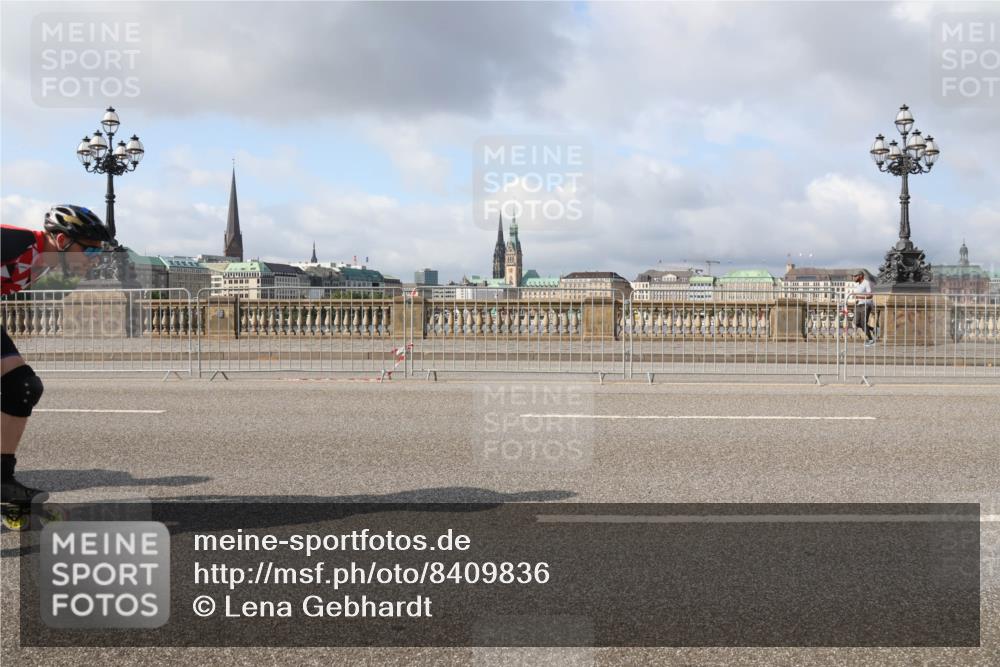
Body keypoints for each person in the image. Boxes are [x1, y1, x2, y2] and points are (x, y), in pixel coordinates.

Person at [1, 205, 115, 507]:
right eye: (90, 252)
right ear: (62, 240)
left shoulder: (49, 263)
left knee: (22, 387)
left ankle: (2, 479)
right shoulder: (16, 242)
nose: (95, 260)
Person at [850, 270, 876, 347]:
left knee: (863, 323)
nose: (853, 278)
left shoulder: (866, 283)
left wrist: (859, 296)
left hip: (866, 305)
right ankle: (872, 329)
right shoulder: (858, 285)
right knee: (857, 323)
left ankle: (871, 340)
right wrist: (857, 300)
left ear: (860, 276)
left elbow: (870, 295)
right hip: (859, 305)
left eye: (855, 276)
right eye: (853, 276)